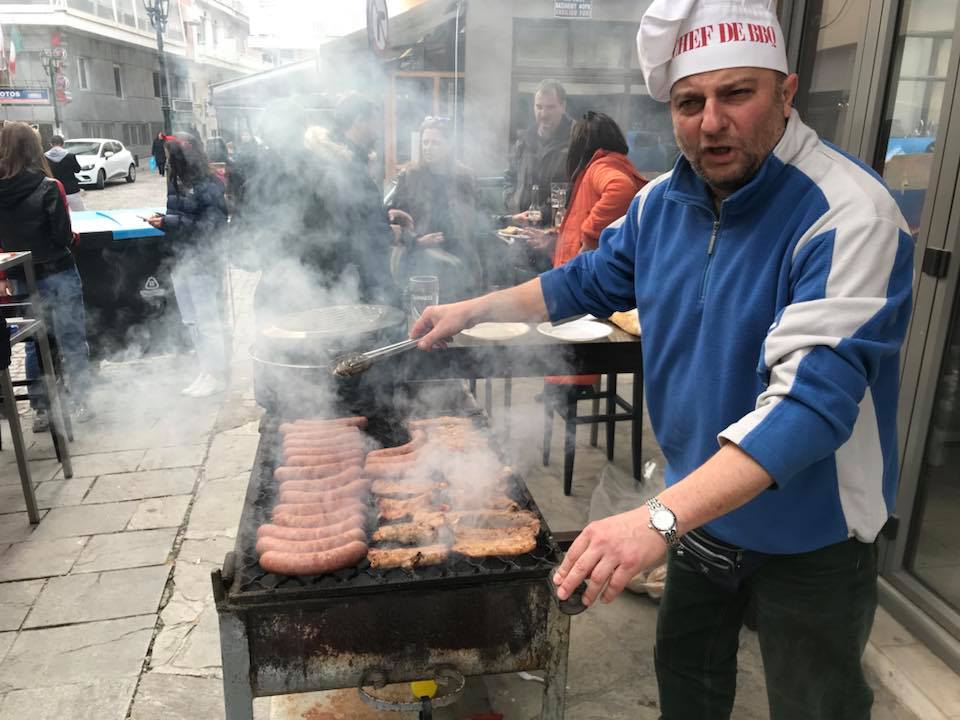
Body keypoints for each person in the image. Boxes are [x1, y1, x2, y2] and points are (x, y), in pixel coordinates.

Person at [410, 1, 914, 718]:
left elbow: (808, 405)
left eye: (737, 93)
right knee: (687, 687)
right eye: (689, 102)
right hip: (699, 513)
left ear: (786, 92)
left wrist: (655, 520)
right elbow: (585, 281)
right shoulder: (660, 205)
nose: (711, 122)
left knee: (816, 705)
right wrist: (475, 308)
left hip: (812, 534)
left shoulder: (850, 214)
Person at [538, 111, 646, 386]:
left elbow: (619, 190)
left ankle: (567, 393)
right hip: (583, 279)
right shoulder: (615, 163)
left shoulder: (600, 167)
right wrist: (558, 236)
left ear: (582, 144)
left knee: (570, 356)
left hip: (581, 283)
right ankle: (564, 390)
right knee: (567, 355)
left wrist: (589, 235)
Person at [0, 122, 96, 428]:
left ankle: (41, 409)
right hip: (58, 272)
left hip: (21, 276)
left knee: (35, 342)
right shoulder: (49, 187)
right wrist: (73, 238)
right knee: (72, 339)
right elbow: (63, 236)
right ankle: (81, 401)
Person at [148, 132, 228, 397]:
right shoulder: (176, 180)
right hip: (180, 258)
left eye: (170, 155)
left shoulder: (210, 184)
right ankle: (206, 371)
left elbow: (212, 226)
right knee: (192, 322)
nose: (167, 160)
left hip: (203, 260)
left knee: (207, 322)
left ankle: (217, 375)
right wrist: (164, 221)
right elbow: (178, 215)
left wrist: (169, 222)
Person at [386, 116, 482, 302]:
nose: (428, 148)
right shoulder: (410, 176)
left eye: (435, 143)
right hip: (420, 261)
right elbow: (396, 223)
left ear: (449, 145)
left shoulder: (464, 177)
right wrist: (417, 241)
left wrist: (508, 220)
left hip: (460, 260)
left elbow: (479, 218)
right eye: (425, 142)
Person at [44, 135, 84, 211]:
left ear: (51, 144)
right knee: (80, 212)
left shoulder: (44, 157)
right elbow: (77, 169)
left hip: (54, 190)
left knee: (60, 214)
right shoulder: (70, 156)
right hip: (71, 190)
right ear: (63, 144)